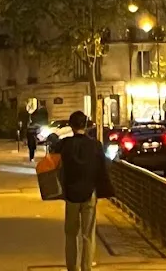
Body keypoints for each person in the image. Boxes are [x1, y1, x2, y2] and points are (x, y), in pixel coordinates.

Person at [50, 110, 114, 271]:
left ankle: (72, 267)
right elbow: (102, 169)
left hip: (70, 193)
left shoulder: (64, 145)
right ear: (85, 126)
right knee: (88, 235)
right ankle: (86, 268)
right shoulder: (95, 145)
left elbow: (52, 159)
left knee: (70, 234)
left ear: (71, 126)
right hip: (89, 193)